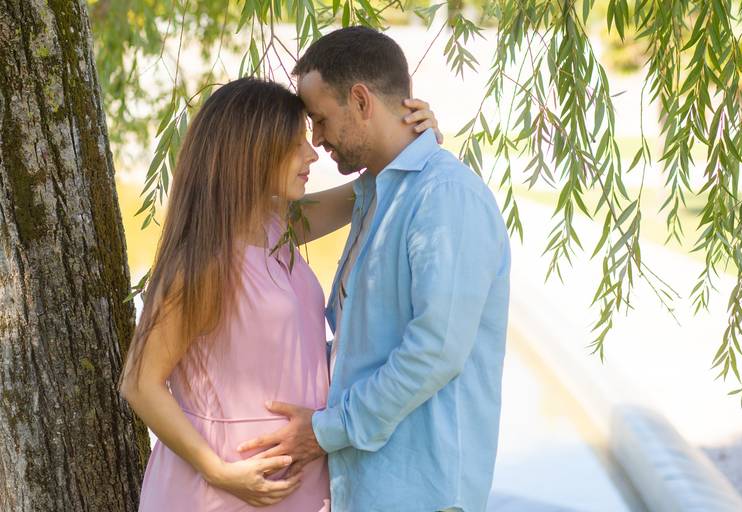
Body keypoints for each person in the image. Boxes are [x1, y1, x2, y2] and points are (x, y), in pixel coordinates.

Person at [119, 77, 440, 511]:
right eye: (295, 145)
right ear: (253, 151)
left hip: (293, 483)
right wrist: (217, 470)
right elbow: (140, 384)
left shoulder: (277, 226)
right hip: (220, 490)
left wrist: (414, 143)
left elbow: (368, 191)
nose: (312, 155)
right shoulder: (206, 259)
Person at [236, 27, 511, 512]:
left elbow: (434, 351)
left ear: (361, 100)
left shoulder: (445, 197)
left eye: (320, 120)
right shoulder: (377, 197)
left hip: (423, 495)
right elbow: (355, 349)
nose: (316, 141)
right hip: (368, 490)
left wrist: (322, 433)